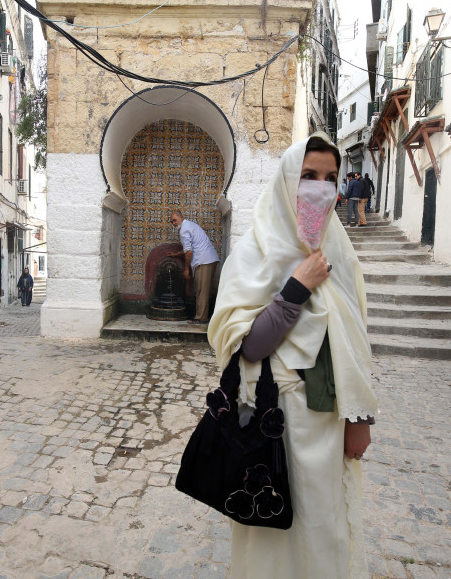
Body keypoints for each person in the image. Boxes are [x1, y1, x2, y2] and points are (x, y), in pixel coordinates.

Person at [208, 132, 378, 579]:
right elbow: (249, 345)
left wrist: (359, 418)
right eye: (308, 176)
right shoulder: (253, 253)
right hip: (272, 421)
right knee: (271, 537)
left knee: (324, 532)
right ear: (287, 181)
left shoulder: (339, 252)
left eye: (330, 178)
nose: (320, 188)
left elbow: (355, 341)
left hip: (326, 422)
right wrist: (297, 287)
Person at [169, 211, 220, 324]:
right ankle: (201, 316)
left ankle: (201, 318)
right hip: (208, 259)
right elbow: (189, 248)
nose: (173, 223)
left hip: (203, 260)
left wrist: (186, 269)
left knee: (201, 290)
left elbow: (189, 252)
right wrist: (176, 254)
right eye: (171, 221)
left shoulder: (184, 230)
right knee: (202, 289)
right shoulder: (190, 225)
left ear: (182, 217)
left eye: (175, 220)